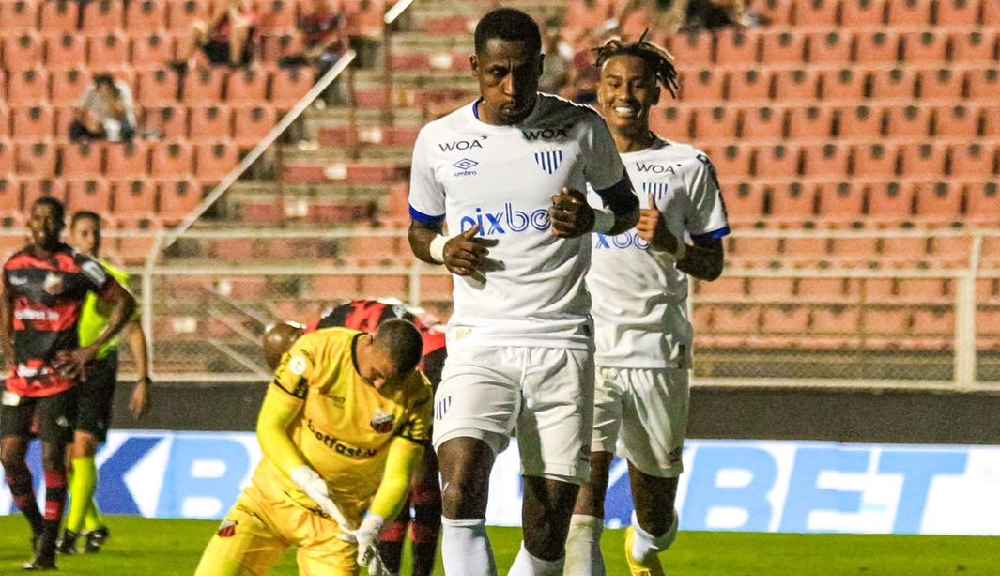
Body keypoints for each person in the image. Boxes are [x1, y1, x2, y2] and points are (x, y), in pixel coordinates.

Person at [406, 8, 638, 575]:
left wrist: (594, 221)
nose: (510, 88)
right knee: (459, 485)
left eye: (523, 73)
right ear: (474, 68)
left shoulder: (582, 128)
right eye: (496, 73)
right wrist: (442, 251)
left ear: (542, 66)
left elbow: (627, 209)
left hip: (561, 341)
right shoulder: (439, 141)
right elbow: (419, 229)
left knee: (549, 520)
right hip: (479, 339)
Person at [562, 34, 729, 576]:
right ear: (599, 91)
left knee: (655, 501)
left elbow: (712, 263)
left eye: (636, 83)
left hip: (657, 347)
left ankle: (647, 542)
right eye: (613, 83)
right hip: (587, 346)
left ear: (656, 91)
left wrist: (672, 246)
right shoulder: (570, 162)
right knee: (582, 487)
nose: (624, 94)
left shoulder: (687, 166)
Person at [193, 318, 432, 575]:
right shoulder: (317, 351)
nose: (381, 387)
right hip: (268, 503)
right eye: (378, 374)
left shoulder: (417, 396)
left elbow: (398, 477)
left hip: (336, 528)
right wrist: (304, 477)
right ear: (369, 341)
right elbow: (269, 426)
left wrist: (374, 524)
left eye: (392, 380)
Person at [1, 197, 135, 570]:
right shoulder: (14, 265)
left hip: (60, 378)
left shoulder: (77, 265)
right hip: (21, 378)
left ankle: (46, 552)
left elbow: (125, 302)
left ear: (60, 226)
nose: (43, 223)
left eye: (51, 218)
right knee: (10, 457)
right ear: (28, 223)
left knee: (51, 457)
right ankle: (39, 530)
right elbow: (5, 300)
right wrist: (6, 344)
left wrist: (90, 349)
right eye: (37, 217)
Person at [301, 299, 446, 576]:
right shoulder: (328, 338)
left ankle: (405, 570)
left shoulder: (326, 333)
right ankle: (407, 569)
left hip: (419, 371)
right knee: (410, 483)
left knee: (411, 480)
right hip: (414, 368)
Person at [57, 212, 151, 555]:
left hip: (97, 369)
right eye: (84, 232)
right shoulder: (62, 276)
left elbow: (134, 329)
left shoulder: (113, 279)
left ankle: (67, 536)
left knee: (82, 447)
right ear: (71, 235)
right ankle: (95, 527)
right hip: (64, 369)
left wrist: (143, 378)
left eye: (95, 232)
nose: (91, 239)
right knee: (65, 458)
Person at [178, 0, 257, 68]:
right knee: (196, 29)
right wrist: (220, 13)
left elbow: (249, 22)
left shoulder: (247, 7)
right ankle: (184, 62)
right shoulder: (223, 6)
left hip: (236, 49)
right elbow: (211, 26)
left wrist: (233, 12)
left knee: (238, 30)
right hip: (217, 44)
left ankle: (235, 64)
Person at [69, 74, 137, 143]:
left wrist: (110, 99)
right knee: (76, 125)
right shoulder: (91, 91)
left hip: (121, 123)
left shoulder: (122, 90)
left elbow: (122, 114)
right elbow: (81, 110)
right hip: (98, 124)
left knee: (114, 127)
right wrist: (88, 122)